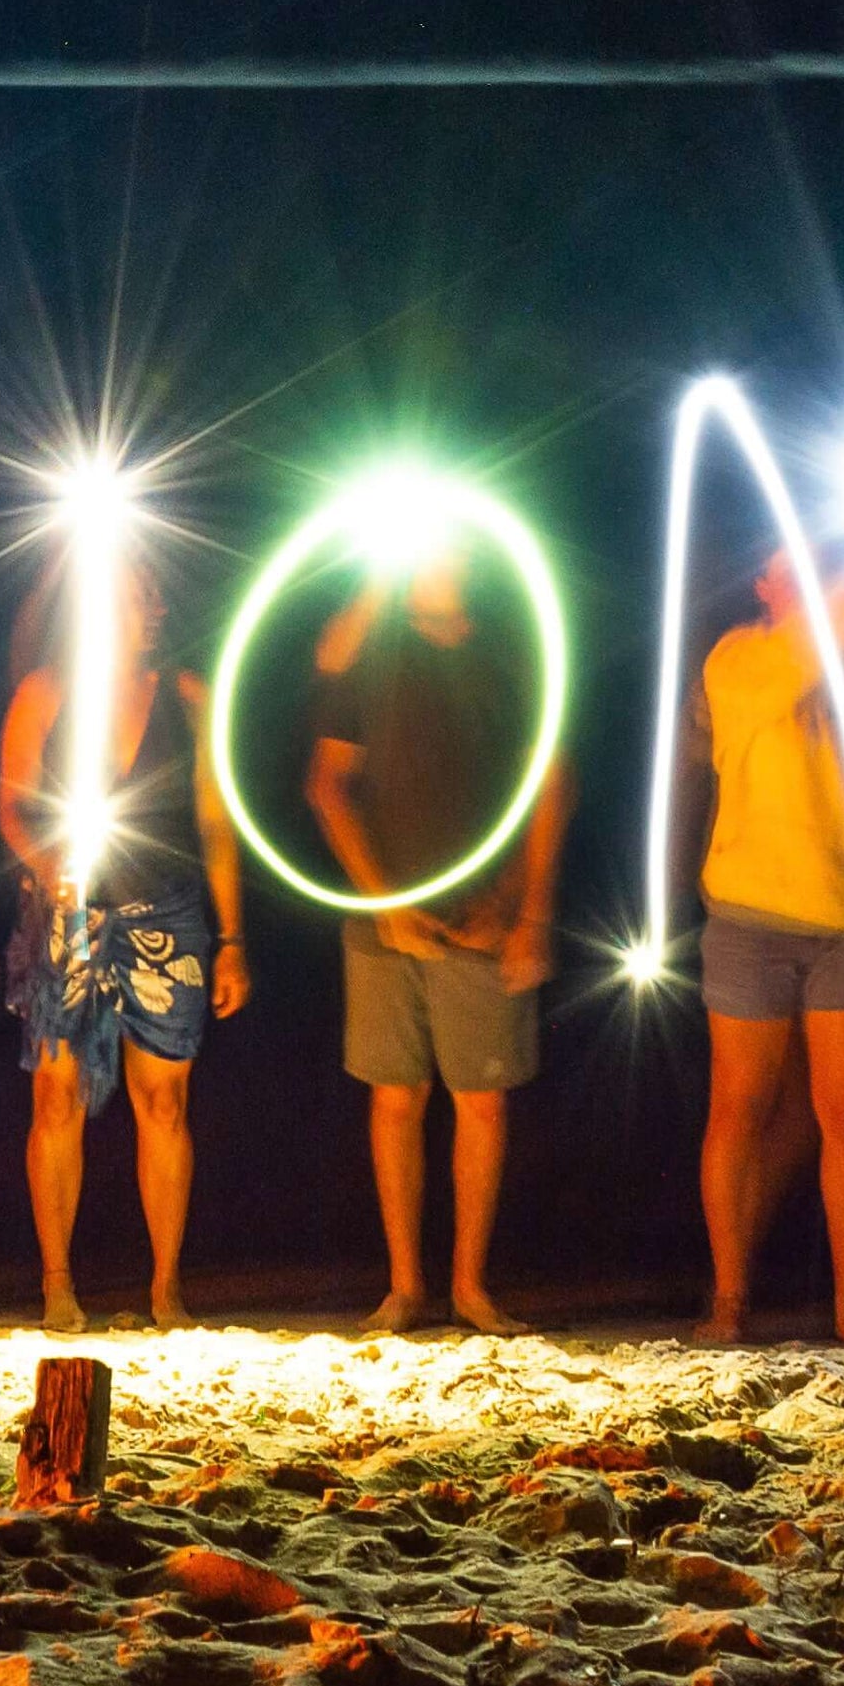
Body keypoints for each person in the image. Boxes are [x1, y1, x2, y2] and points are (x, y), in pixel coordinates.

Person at [308, 547, 568, 1332]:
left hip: (482, 914)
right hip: (387, 918)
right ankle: (404, 1287)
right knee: (395, 1098)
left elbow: (550, 782)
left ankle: (470, 1288)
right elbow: (326, 784)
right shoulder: (368, 651)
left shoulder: (508, 652)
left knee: (481, 1103)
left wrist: (527, 914)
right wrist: (385, 903)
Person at [0, 552, 250, 1332]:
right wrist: (46, 870)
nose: (122, 610)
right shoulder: (46, 693)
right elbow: (10, 807)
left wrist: (232, 938)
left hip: (167, 917)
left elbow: (215, 821)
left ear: (156, 613)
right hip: (66, 918)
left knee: (164, 1101)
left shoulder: (187, 697)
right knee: (57, 1095)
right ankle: (57, 1283)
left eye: (136, 597)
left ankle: (166, 1288)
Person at [683, 545, 844, 1346]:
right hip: (750, 915)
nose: (804, 579)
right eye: (782, 566)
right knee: (738, 1112)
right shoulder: (740, 659)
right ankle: (729, 1299)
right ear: (761, 584)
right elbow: (798, 661)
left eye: (815, 566)